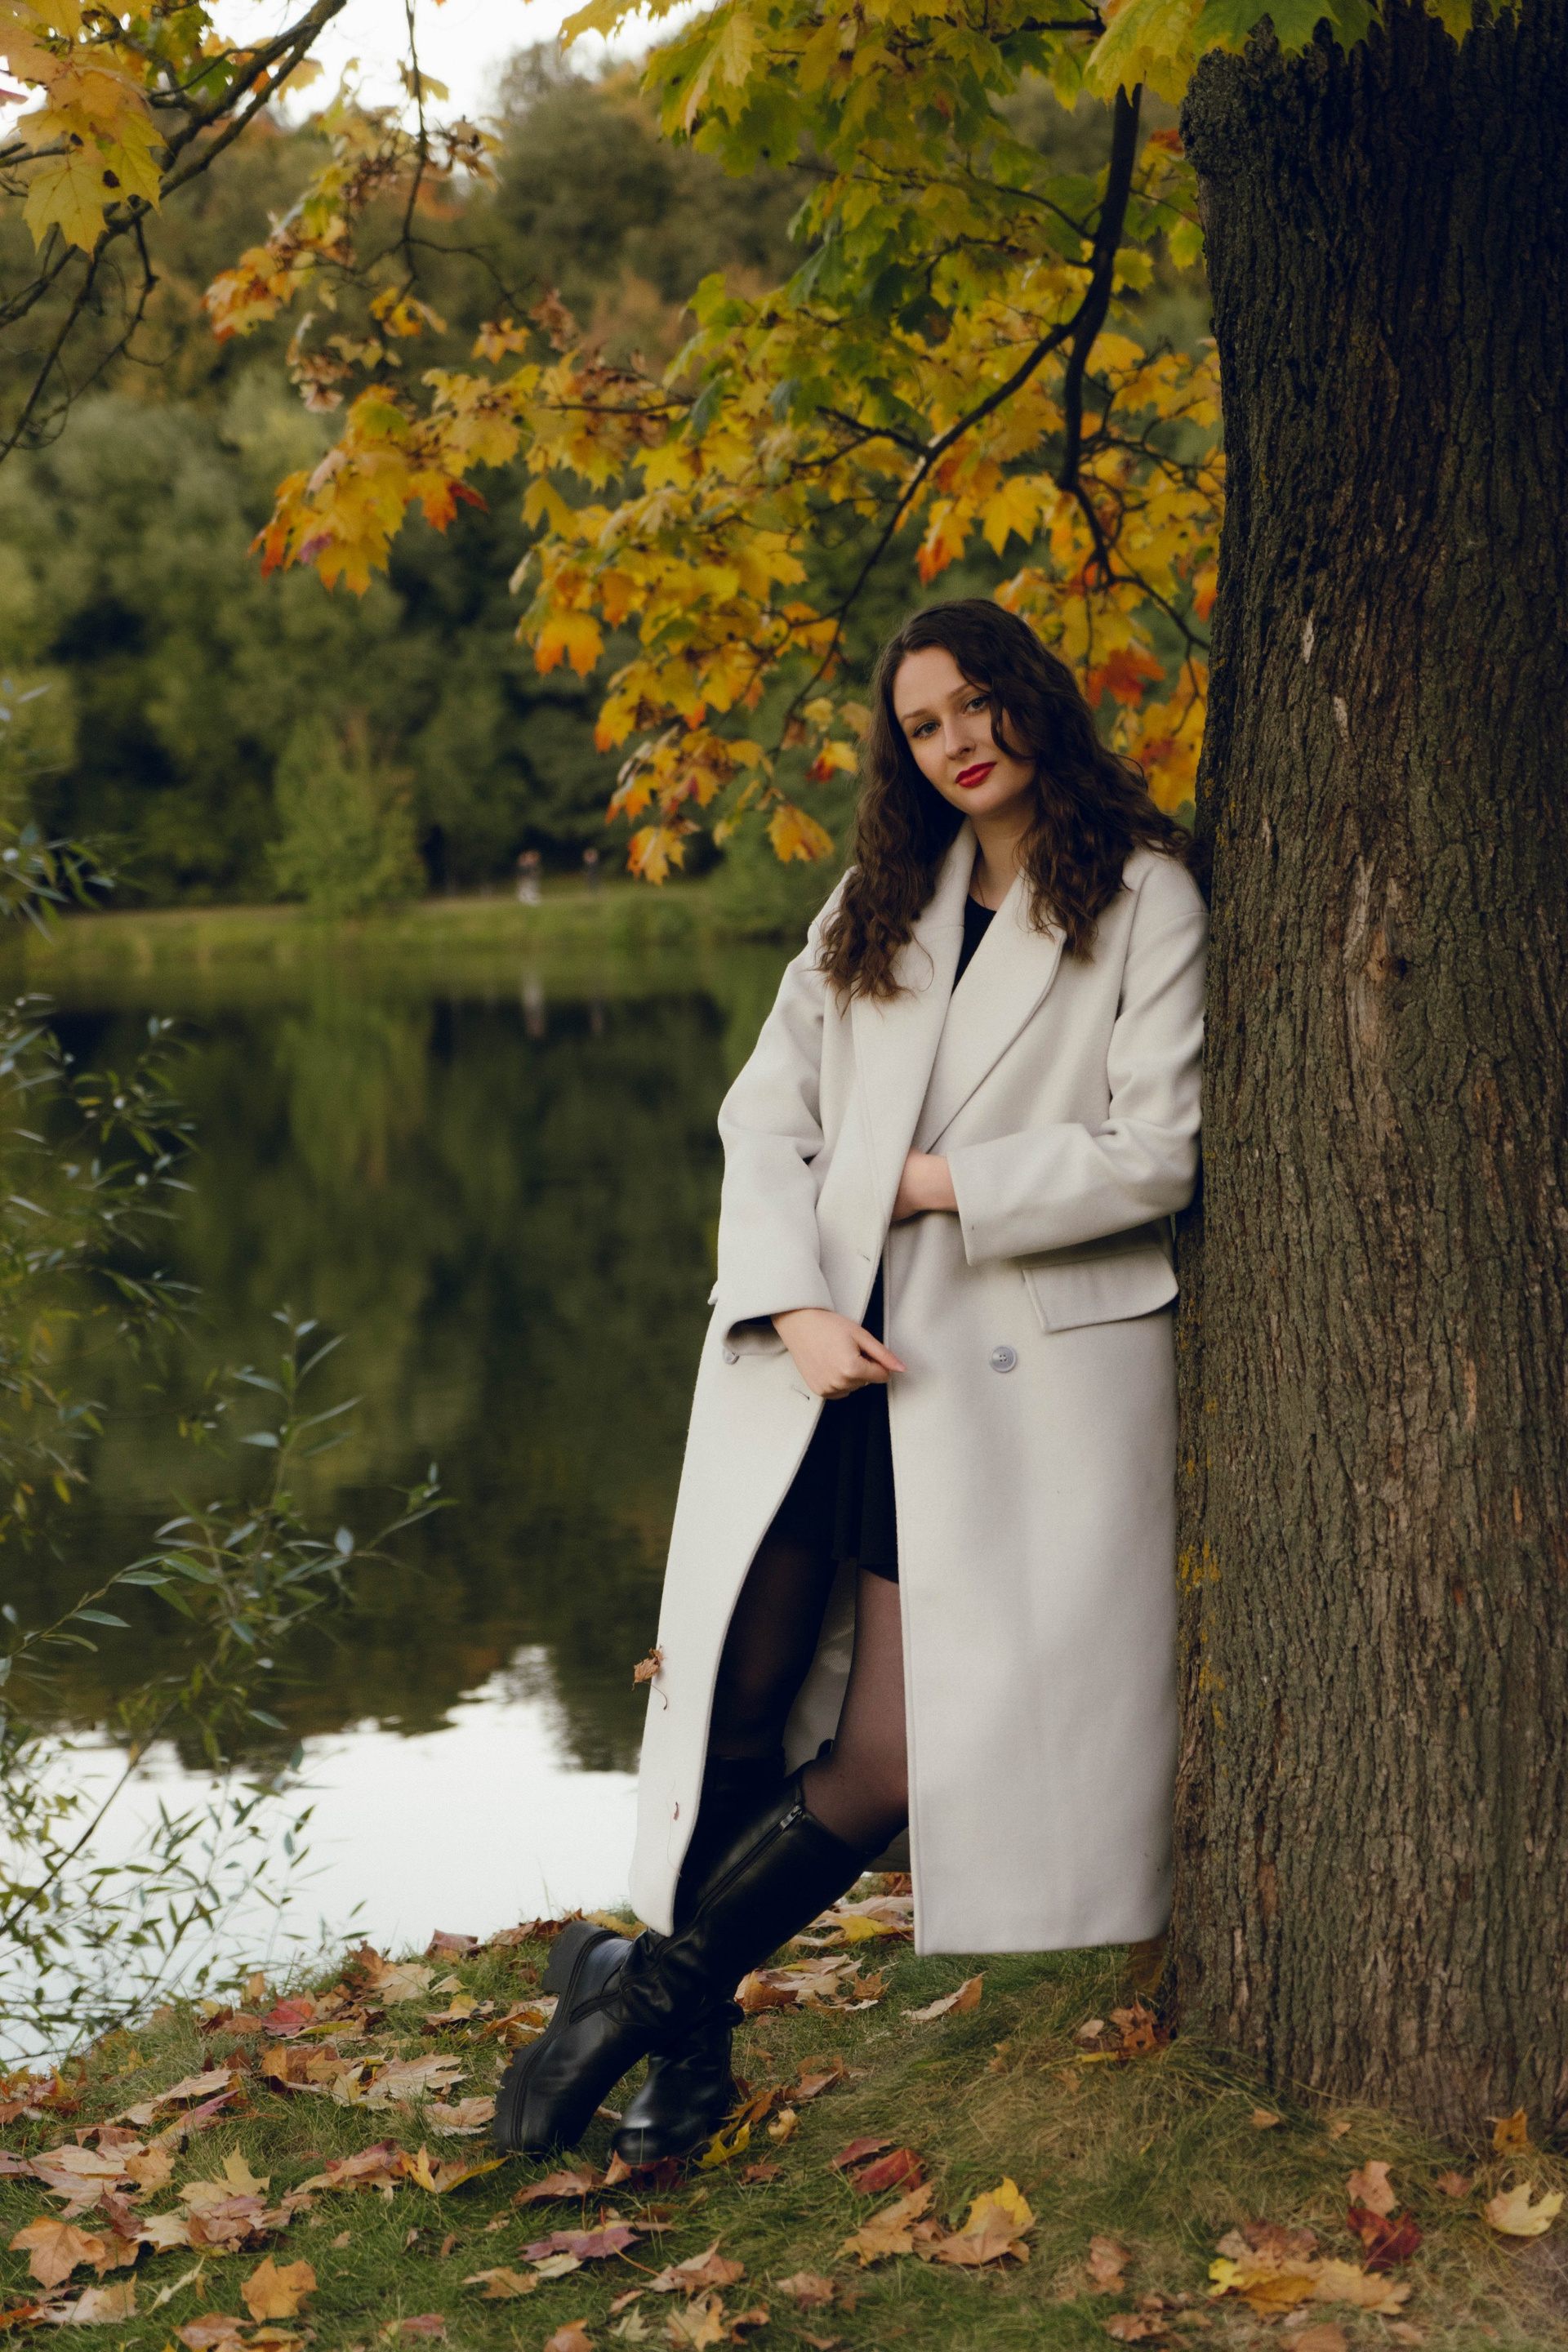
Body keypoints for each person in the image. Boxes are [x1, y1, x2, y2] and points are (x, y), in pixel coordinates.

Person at [495, 598, 1207, 2161]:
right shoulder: (878, 899)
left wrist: (924, 1183)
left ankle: (627, 1999)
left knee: (887, 1758)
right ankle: (688, 2072)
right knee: (738, 1712)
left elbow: (1155, 1151)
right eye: (924, 723)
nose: (958, 742)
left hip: (1000, 1382)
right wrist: (794, 1303)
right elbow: (767, 1121)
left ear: (1035, 699)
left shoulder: (1146, 892)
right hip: (825, 1361)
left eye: (977, 704)